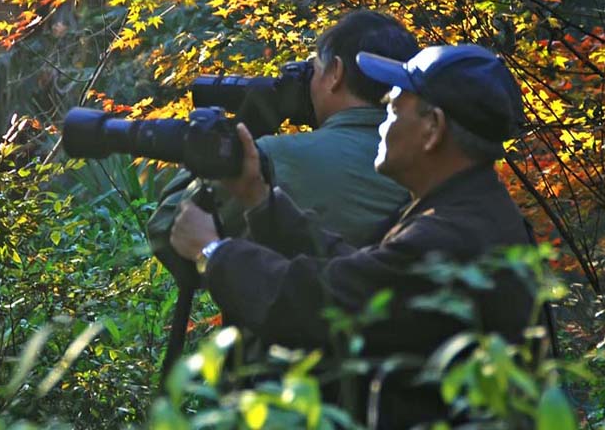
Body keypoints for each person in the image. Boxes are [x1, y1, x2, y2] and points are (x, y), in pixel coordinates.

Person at [170, 44, 537, 428]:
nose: (381, 123)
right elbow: (360, 277)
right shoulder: (470, 211)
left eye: (392, 110)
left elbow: (324, 305)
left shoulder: (445, 236)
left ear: (433, 129)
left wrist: (212, 252)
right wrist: (260, 201)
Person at [148, 10, 419, 290]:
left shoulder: (271, 159)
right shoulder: (433, 157)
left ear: (336, 73)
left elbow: (168, 229)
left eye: (313, 70)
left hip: (294, 328)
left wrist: (242, 132)